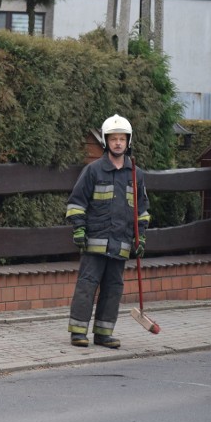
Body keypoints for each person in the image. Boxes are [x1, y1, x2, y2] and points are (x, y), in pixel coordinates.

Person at [66, 114, 150, 349]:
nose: (118, 143)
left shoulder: (136, 174)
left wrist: (141, 236)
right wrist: (79, 229)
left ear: (128, 142)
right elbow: (76, 203)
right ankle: (78, 332)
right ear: (106, 141)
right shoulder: (93, 171)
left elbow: (142, 211)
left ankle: (103, 334)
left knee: (113, 289)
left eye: (122, 139)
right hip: (94, 241)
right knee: (87, 285)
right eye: (113, 139)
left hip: (121, 243)